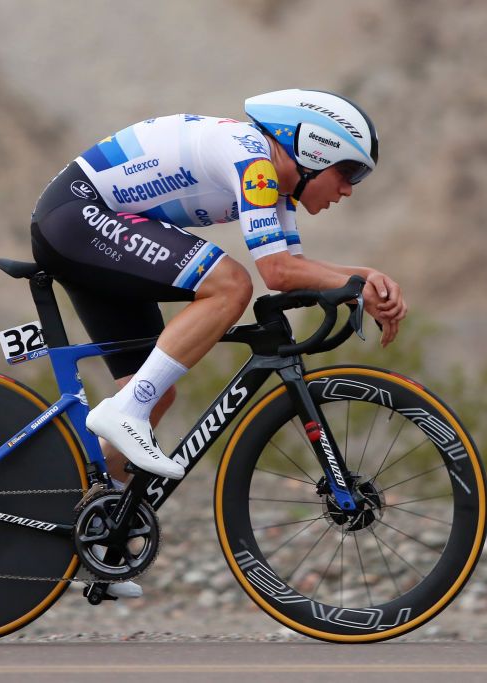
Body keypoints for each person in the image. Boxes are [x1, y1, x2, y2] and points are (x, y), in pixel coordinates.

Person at [30, 89, 407, 597]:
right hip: (78, 217)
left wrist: (366, 278)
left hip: (90, 225)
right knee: (228, 285)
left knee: (155, 389)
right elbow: (273, 271)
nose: (350, 190)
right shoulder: (252, 161)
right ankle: (127, 412)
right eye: (350, 173)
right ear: (315, 152)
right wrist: (362, 280)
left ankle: (96, 536)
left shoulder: (272, 186)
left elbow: (290, 273)